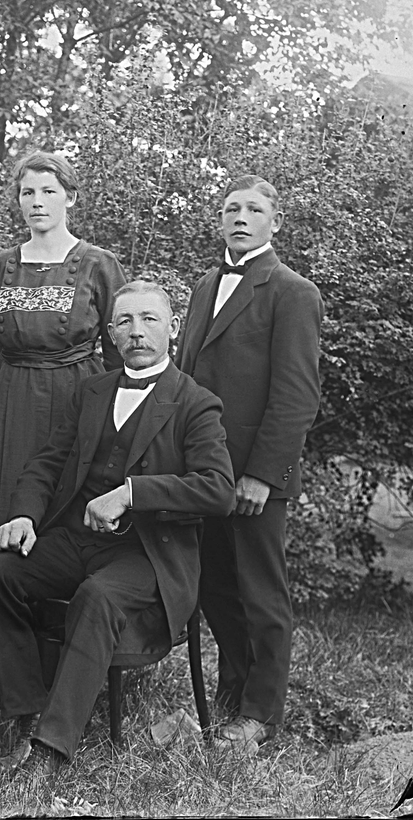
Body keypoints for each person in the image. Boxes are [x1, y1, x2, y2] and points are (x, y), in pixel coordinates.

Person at [0, 281, 235, 778]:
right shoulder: (92, 390)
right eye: (126, 322)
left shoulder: (195, 403)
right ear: (111, 333)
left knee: (97, 596)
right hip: (77, 540)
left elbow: (218, 489)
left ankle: (51, 750)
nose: (137, 332)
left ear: (173, 329)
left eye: (150, 320)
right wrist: (25, 515)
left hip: (148, 554)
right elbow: (47, 462)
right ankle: (29, 711)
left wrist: (133, 492)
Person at [0, 150, 126, 677]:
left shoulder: (97, 264)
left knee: (63, 517)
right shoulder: (1, 267)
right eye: (28, 192)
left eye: (49, 191)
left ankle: (65, 664)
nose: (37, 202)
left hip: (78, 399)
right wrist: (17, 387)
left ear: (70, 197)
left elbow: (121, 348)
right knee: (6, 510)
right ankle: (2, 663)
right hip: (10, 406)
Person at [175, 175, 323, 752]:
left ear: (274, 222)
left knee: (262, 595)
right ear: (220, 220)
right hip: (203, 474)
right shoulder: (205, 284)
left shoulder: (292, 291)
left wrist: (263, 474)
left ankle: (261, 714)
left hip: (254, 478)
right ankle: (232, 696)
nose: (241, 217)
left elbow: (296, 395)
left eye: (254, 209)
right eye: (231, 208)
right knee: (214, 589)